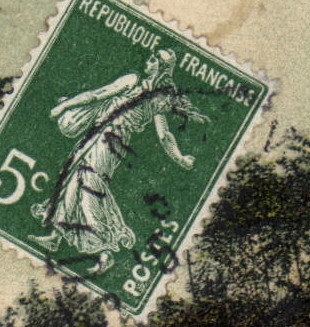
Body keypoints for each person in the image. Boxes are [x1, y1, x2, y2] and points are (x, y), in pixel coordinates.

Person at [30, 48, 207, 274]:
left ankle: (104, 251)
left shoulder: (154, 96)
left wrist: (179, 157)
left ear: (163, 67)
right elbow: (98, 95)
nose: (149, 60)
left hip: (110, 141)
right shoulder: (141, 86)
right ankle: (56, 236)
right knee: (72, 179)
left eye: (155, 59)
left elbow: (163, 134)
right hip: (99, 135)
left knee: (88, 185)